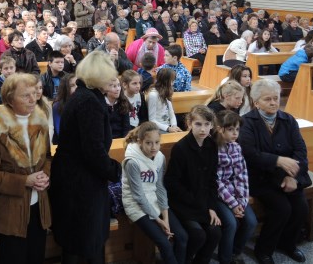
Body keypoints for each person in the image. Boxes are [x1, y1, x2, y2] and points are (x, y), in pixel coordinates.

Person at [50, 51, 122, 263]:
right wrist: (115, 170)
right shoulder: (89, 101)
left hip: (74, 177)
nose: (112, 79)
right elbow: (93, 150)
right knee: (84, 241)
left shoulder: (83, 96)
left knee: (76, 240)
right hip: (80, 182)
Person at [0, 73, 51, 264]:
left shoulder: (40, 123)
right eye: (25, 95)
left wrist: (45, 174)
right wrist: (24, 181)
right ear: (10, 99)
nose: (33, 99)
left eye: (34, 93)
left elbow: (47, 157)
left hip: (38, 209)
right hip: (10, 214)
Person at [239, 79, 310, 264]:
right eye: (267, 99)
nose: (273, 103)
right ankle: (264, 250)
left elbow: (300, 151)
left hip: (288, 176)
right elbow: (249, 154)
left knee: (301, 207)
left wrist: (292, 176)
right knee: (282, 209)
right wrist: (277, 160)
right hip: (260, 178)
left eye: (276, 98)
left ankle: (288, 244)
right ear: (256, 103)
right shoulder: (247, 122)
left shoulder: (288, 120)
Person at [122, 122, 188, 264]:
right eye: (149, 143)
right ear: (140, 142)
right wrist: (158, 220)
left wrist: (166, 218)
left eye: (157, 142)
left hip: (154, 200)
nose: (154, 147)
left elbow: (160, 187)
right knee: (165, 244)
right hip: (136, 205)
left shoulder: (160, 157)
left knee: (182, 237)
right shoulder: (132, 161)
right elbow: (138, 196)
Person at [164, 105, 222, 264]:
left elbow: (212, 179)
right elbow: (171, 182)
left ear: (212, 125)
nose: (203, 129)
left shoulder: (212, 145)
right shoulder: (181, 148)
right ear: (189, 124)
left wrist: (212, 207)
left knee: (215, 233)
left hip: (203, 201)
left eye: (207, 124)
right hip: (184, 202)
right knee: (198, 235)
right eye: (198, 124)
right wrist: (198, 203)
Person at [213, 110, 257, 264]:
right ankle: (225, 259)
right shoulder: (213, 149)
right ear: (219, 129)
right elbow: (215, 181)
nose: (235, 133)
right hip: (218, 195)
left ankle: (235, 252)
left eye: (237, 129)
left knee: (251, 222)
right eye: (230, 129)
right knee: (231, 223)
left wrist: (242, 201)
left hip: (235, 195)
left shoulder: (236, 147)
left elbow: (242, 175)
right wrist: (233, 204)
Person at [147, 68, 182, 133]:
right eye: (172, 80)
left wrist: (174, 126)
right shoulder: (153, 95)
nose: (173, 83)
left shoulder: (167, 92)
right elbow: (152, 120)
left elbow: (171, 113)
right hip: (158, 128)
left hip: (168, 126)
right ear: (165, 81)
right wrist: (168, 128)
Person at [51, 73, 77, 145]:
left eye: (78, 84)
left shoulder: (84, 103)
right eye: (72, 85)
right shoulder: (57, 106)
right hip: (64, 144)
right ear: (65, 89)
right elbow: (60, 131)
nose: (77, 87)